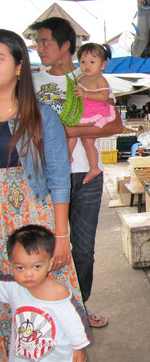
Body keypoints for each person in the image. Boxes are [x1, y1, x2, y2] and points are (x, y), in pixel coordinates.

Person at [30, 17, 123, 328]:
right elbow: (29, 128)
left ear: (64, 45)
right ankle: (50, 312)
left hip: (86, 176)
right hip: (44, 178)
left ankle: (79, 309)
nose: (38, 47)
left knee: (83, 251)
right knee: (44, 250)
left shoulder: (90, 78)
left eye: (44, 41)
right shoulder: (32, 82)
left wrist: (63, 129)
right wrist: (67, 130)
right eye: (36, 42)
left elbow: (115, 123)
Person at [0, 29, 87, 360]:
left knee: (44, 302)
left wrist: (61, 233)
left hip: (34, 218)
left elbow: (58, 177)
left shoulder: (41, 116)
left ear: (20, 66)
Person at [2, 225, 91, 362]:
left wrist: (79, 348)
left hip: (57, 357)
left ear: (49, 265)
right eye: (20, 268)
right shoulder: (12, 287)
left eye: (37, 266)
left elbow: (74, 323)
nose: (28, 274)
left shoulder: (58, 293)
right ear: (11, 266)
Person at [68, 43, 116, 184]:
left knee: (80, 135)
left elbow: (103, 96)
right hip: (84, 111)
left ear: (102, 65)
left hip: (97, 112)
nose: (86, 65)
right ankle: (69, 157)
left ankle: (93, 167)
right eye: (83, 62)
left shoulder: (100, 79)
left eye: (92, 62)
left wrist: (85, 93)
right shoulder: (81, 78)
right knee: (78, 136)